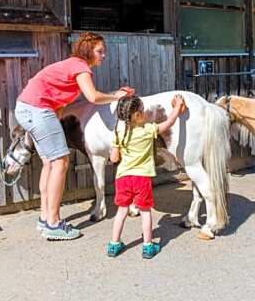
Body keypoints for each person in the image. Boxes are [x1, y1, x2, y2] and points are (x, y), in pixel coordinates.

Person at [15, 32, 132, 241]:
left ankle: (44, 218)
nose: (103, 55)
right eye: (100, 51)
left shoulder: (71, 66)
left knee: (50, 163)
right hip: (37, 109)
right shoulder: (80, 67)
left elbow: (59, 106)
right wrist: (117, 96)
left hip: (29, 108)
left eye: (104, 51)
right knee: (60, 162)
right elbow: (94, 97)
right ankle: (53, 223)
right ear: (88, 51)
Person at [107, 94, 186, 259]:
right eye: (143, 110)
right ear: (137, 115)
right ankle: (148, 246)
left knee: (121, 211)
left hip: (123, 178)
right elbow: (168, 123)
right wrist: (177, 107)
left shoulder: (119, 132)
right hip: (141, 178)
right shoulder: (148, 130)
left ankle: (114, 245)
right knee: (145, 212)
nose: (145, 113)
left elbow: (114, 158)